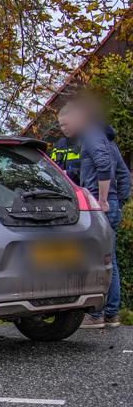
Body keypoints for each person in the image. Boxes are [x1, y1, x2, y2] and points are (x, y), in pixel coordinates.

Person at [58, 95, 130, 328]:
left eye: (66, 124)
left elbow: (103, 166)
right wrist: (120, 200)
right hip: (112, 203)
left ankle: (97, 314)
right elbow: (124, 174)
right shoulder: (106, 138)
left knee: (98, 260)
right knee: (110, 260)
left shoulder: (91, 135)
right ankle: (111, 313)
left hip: (101, 205)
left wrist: (102, 199)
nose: (64, 129)